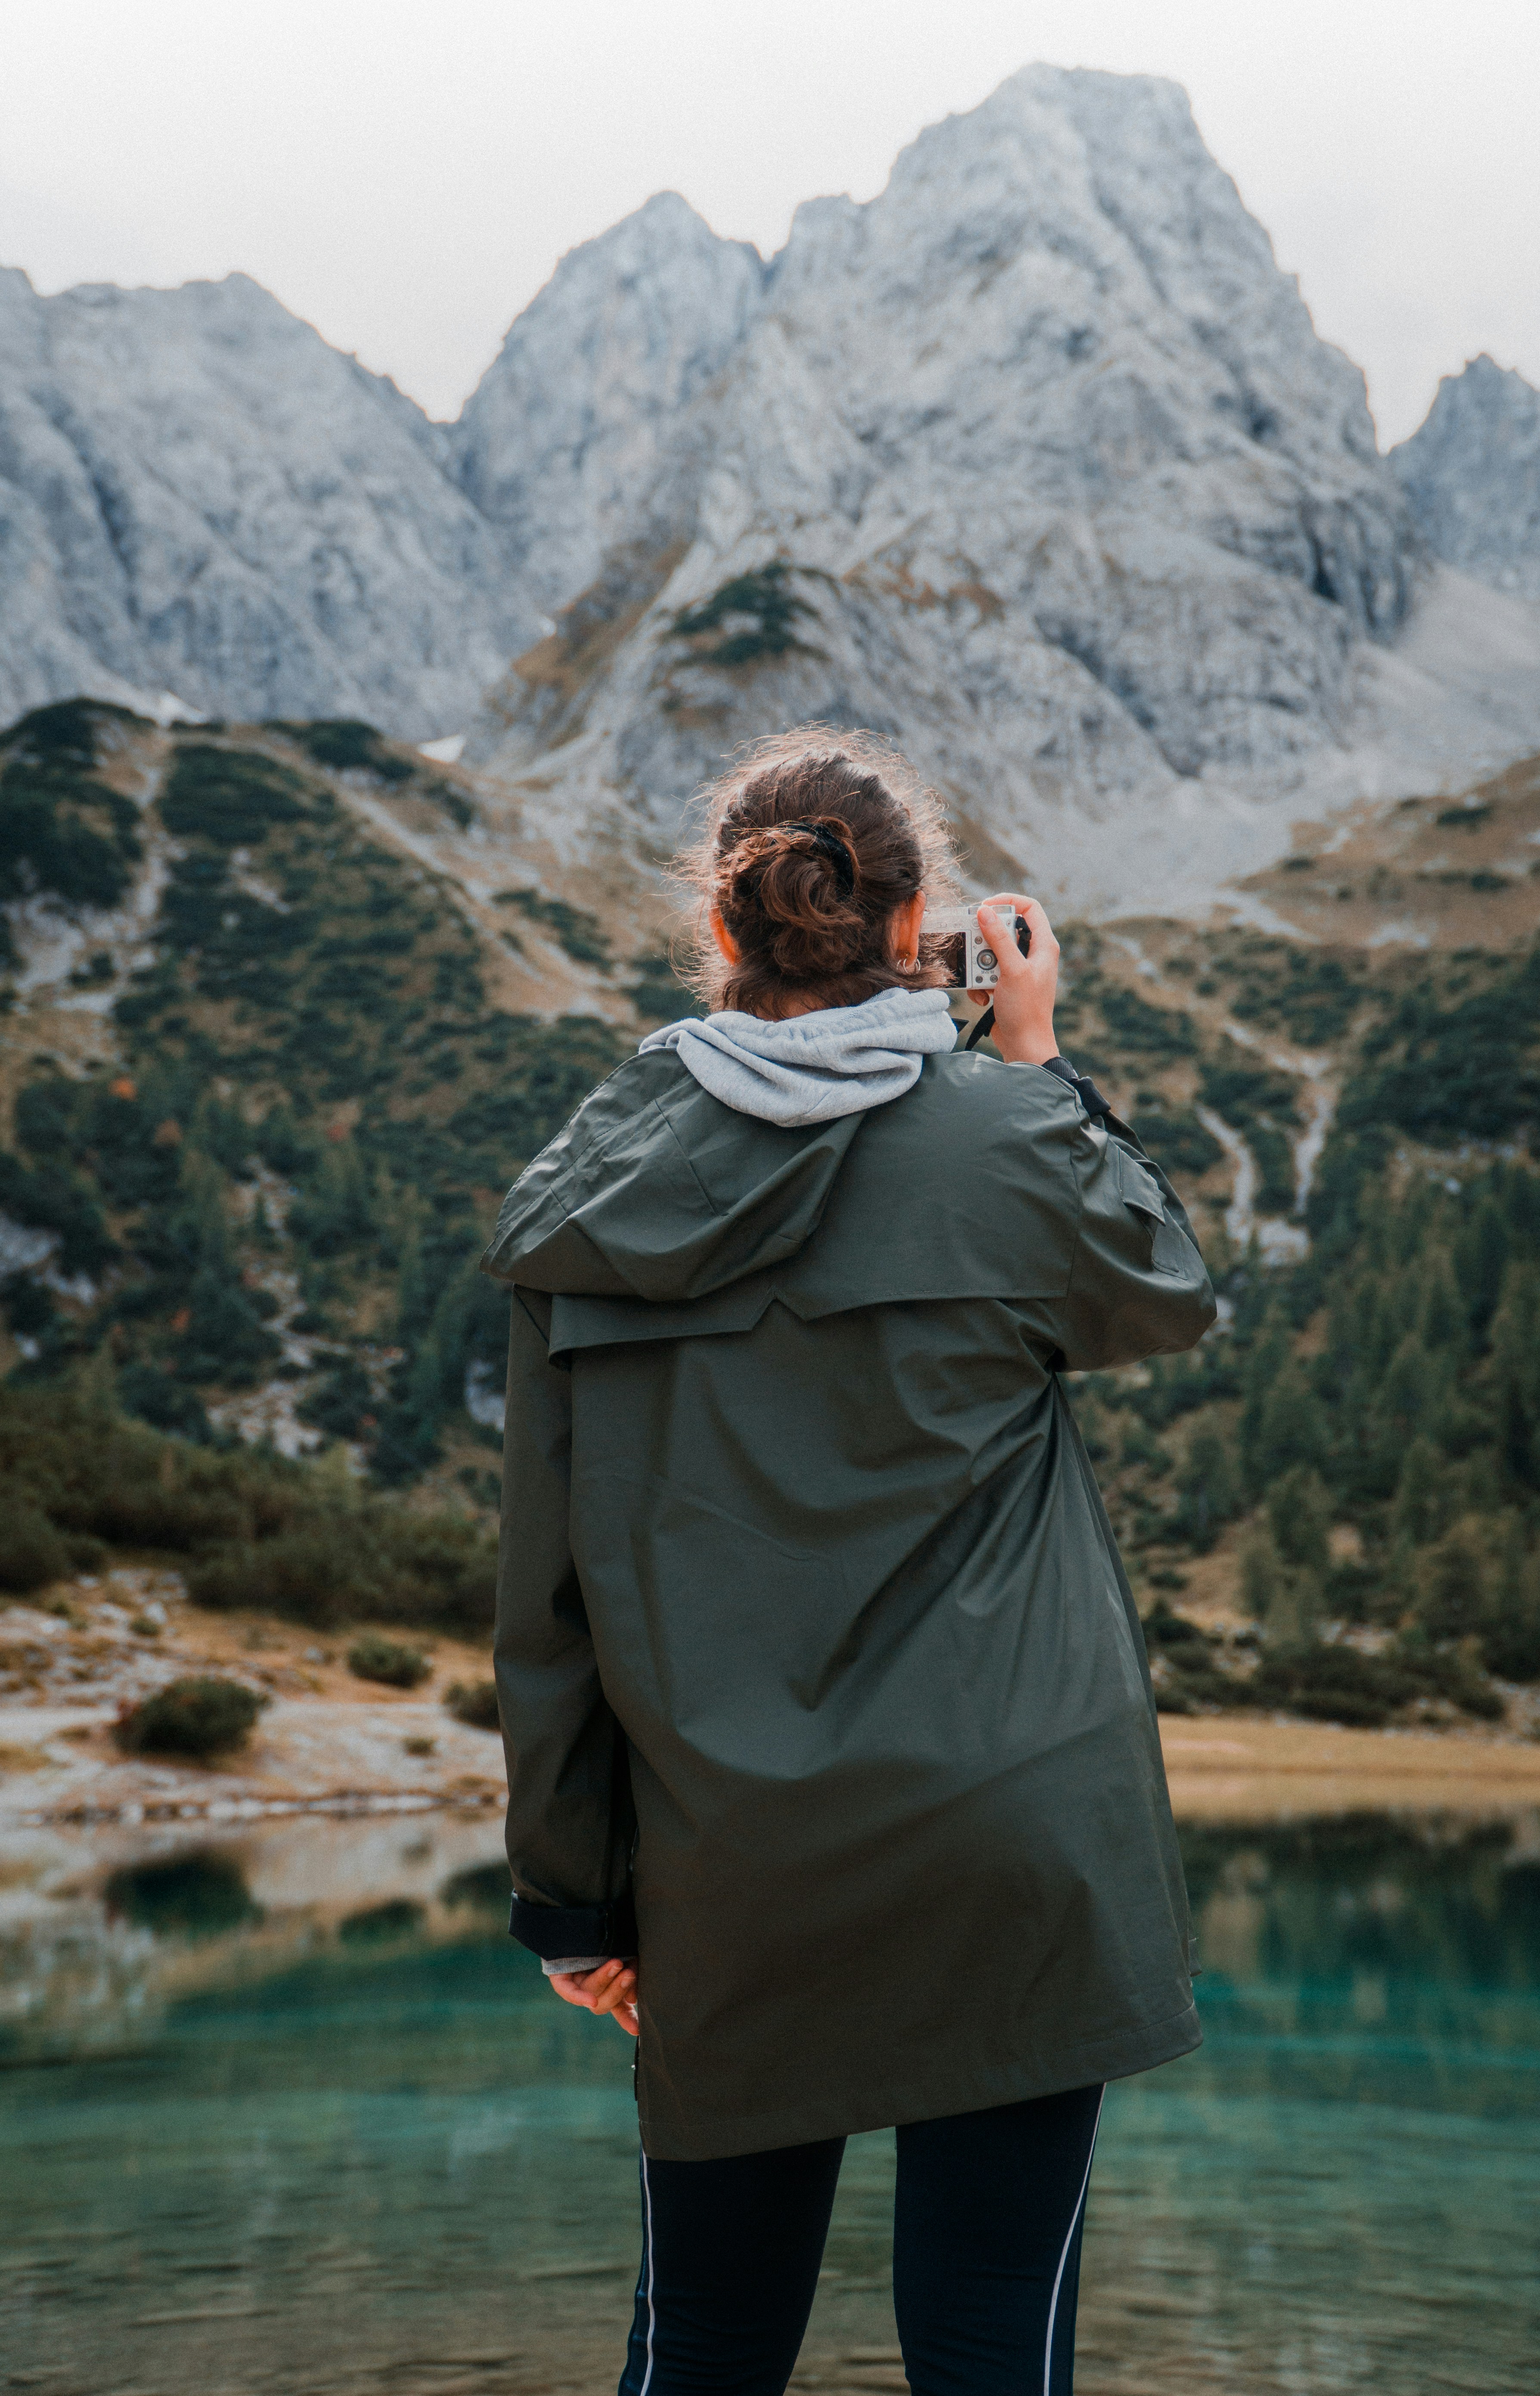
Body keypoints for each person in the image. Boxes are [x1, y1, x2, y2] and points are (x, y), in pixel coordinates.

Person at [481, 729, 1216, 2396]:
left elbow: (551, 1591)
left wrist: (568, 1893)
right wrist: (1033, 1064)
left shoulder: (592, 1182)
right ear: (919, 933)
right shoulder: (1002, 1140)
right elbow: (1161, 1292)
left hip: (731, 1869)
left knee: (705, 2349)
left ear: (727, 935)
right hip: (1014, 1843)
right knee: (989, 2344)